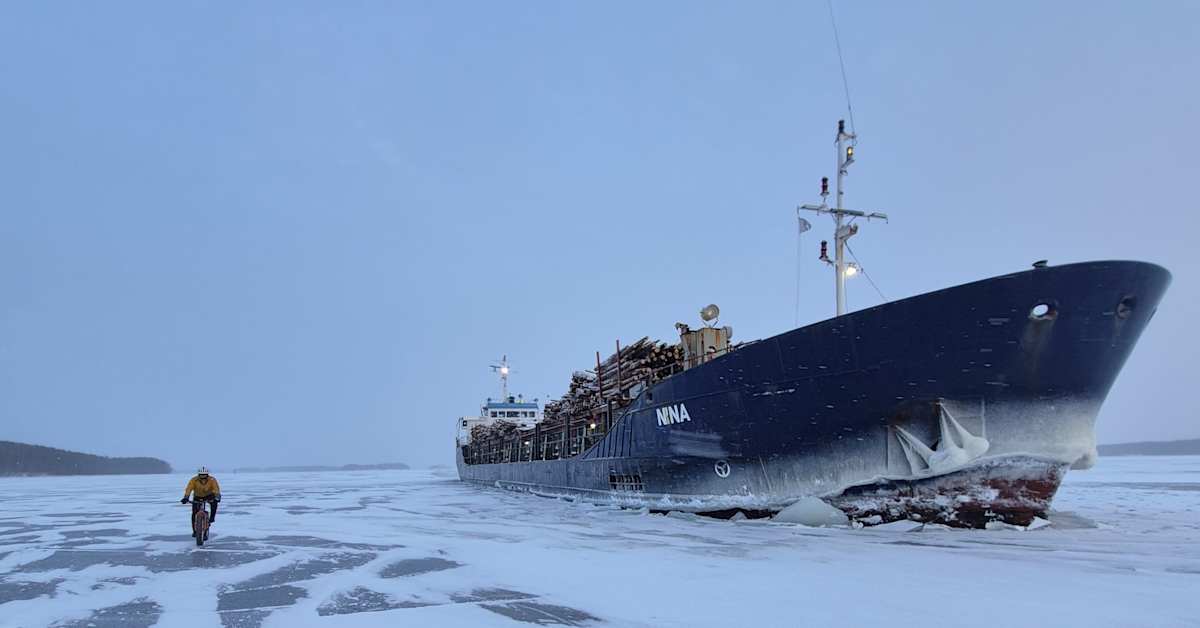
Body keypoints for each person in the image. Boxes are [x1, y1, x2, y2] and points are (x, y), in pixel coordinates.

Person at [180, 466, 222, 536]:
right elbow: (189, 489)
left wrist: (217, 497)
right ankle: (195, 531)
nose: (203, 476)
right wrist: (186, 497)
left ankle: (212, 518)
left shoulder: (212, 479)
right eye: (201, 474)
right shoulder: (194, 480)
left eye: (204, 474)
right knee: (194, 513)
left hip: (209, 495)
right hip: (197, 496)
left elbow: (216, 488)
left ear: (207, 474)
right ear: (199, 474)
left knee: (214, 503)